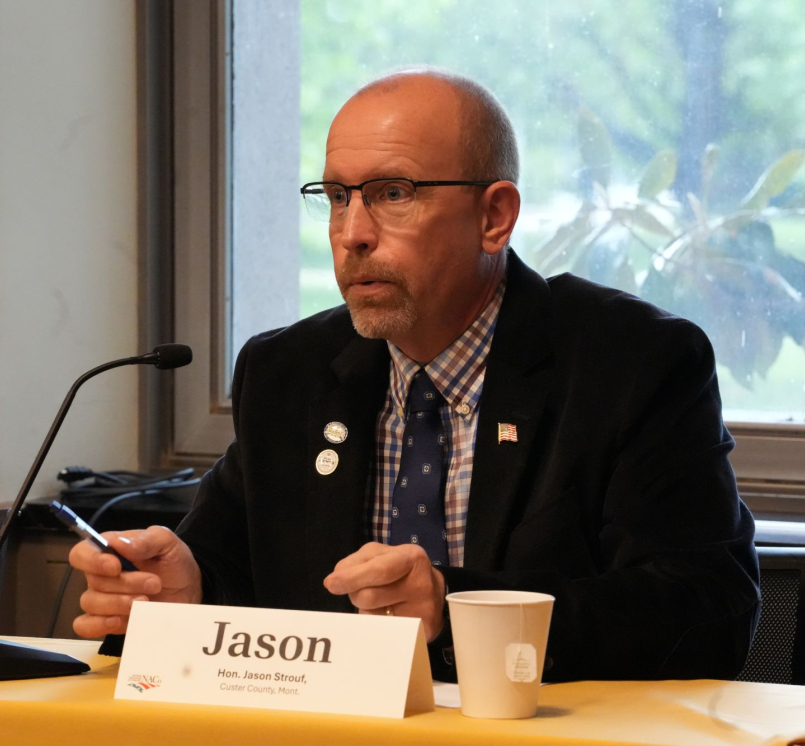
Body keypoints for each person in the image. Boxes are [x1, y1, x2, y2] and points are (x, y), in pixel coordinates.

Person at [69, 68, 760, 683]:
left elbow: (706, 612)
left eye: (391, 193)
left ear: (494, 216)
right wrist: (186, 596)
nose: (351, 233)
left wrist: (454, 612)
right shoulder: (287, 372)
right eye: (337, 196)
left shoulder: (631, 362)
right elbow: (235, 581)